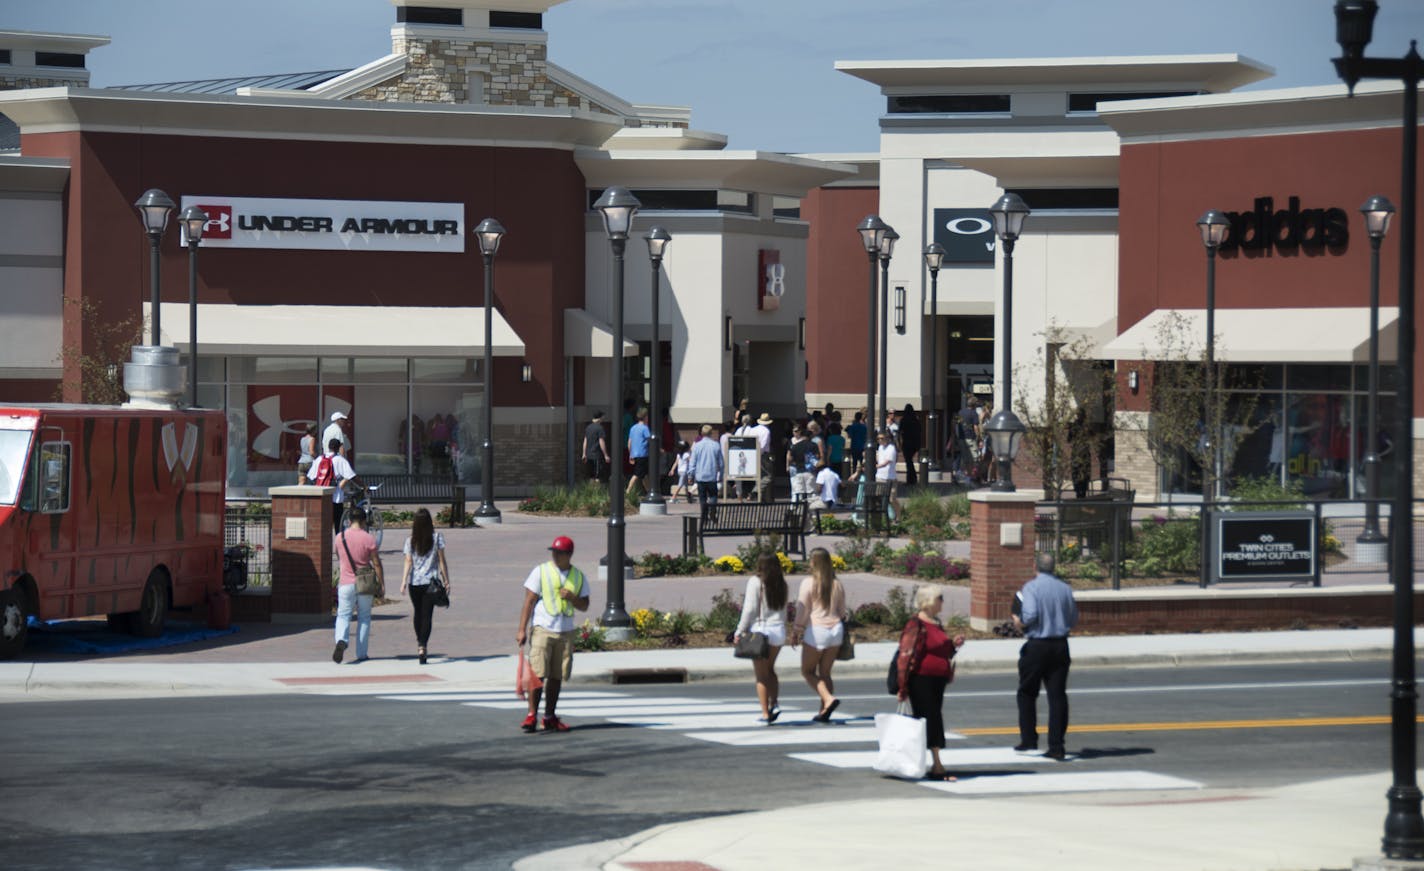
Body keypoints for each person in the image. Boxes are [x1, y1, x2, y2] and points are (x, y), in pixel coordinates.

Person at [515, 535, 590, 733]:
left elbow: (585, 605)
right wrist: (522, 629)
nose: (555, 556)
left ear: (569, 555)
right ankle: (532, 714)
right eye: (553, 552)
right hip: (542, 629)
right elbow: (529, 601)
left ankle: (549, 716)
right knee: (538, 675)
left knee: (556, 677)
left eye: (559, 553)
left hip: (565, 631)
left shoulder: (578, 576)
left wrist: (573, 598)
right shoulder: (541, 571)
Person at [895, 583, 966, 781]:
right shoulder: (915, 624)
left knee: (928, 720)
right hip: (921, 679)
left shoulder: (935, 623)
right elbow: (905, 656)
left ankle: (926, 762)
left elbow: (942, 651)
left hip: (937, 680)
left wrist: (953, 645)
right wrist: (903, 685)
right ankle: (937, 765)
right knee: (931, 719)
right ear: (928, 602)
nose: (942, 601)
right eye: (939, 598)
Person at [1013, 552, 1079, 761]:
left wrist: (1019, 622)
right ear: (1054, 567)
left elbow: (1030, 614)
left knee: (1027, 692)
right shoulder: (1065, 588)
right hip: (1060, 644)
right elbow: (1073, 617)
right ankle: (1057, 745)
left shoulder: (1031, 587)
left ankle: (1029, 739)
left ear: (1035, 566)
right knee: (1057, 696)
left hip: (1038, 644)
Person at [793, 547, 848, 722]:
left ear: (813, 562)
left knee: (807, 671)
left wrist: (797, 629)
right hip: (836, 629)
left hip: (817, 630)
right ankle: (824, 711)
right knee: (825, 673)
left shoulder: (808, 583)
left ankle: (828, 699)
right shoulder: (837, 583)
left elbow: (803, 609)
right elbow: (842, 611)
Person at [734, 552, 789, 725]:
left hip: (761, 630)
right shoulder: (782, 583)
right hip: (778, 630)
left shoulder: (756, 582)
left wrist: (739, 631)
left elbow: (749, 609)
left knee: (761, 676)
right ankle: (775, 703)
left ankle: (765, 713)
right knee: (771, 669)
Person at [332, 506, 383, 665]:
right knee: (364, 617)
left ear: (349, 520)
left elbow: (338, 555)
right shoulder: (369, 539)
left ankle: (341, 640)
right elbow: (376, 563)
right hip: (364, 582)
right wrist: (381, 584)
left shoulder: (340, 537)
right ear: (363, 521)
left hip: (345, 582)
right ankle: (361, 653)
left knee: (343, 614)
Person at [400, 508, 451, 665]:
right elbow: (442, 561)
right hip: (431, 583)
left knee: (417, 613)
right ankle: (423, 645)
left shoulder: (410, 541)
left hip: (415, 583)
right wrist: (447, 579)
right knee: (427, 615)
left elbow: (408, 561)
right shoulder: (436, 538)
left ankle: (419, 642)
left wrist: (403, 581)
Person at [309, 437, 360, 534]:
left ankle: (324, 547)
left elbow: (311, 477)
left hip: (322, 497)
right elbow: (352, 476)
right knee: (338, 524)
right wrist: (364, 486)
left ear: (328, 447)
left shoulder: (319, 459)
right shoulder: (340, 460)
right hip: (336, 498)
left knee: (324, 524)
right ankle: (338, 546)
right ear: (337, 448)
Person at [691, 424, 724, 522]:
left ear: (701, 433)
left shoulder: (697, 446)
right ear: (711, 433)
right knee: (713, 496)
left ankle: (704, 516)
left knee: (702, 498)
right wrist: (721, 475)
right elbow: (721, 463)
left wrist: (690, 474)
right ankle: (712, 512)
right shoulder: (716, 445)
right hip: (712, 476)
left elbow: (692, 462)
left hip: (700, 476)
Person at [787, 424, 819, 503]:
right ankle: (812, 512)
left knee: (799, 492)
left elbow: (790, 458)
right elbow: (817, 457)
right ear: (810, 436)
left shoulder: (795, 446)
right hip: (810, 472)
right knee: (811, 493)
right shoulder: (813, 445)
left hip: (799, 471)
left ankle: (799, 511)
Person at [627, 407, 652, 497]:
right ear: (645, 417)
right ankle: (628, 491)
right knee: (637, 474)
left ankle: (649, 491)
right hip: (643, 454)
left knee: (644, 475)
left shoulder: (633, 428)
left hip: (635, 454)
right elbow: (650, 440)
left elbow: (629, 442)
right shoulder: (645, 428)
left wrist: (631, 454)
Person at [583, 411, 610, 483]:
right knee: (598, 476)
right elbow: (601, 442)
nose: (603, 419)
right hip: (597, 455)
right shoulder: (600, 428)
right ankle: (597, 492)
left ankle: (591, 492)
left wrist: (584, 454)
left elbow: (585, 441)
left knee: (591, 476)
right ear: (600, 418)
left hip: (589, 455)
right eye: (602, 418)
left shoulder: (588, 427)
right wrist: (606, 455)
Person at [899, 404, 922, 486]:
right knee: (909, 461)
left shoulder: (904, 420)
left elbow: (900, 432)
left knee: (908, 461)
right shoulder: (916, 420)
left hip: (907, 442)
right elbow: (919, 432)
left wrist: (899, 443)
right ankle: (912, 478)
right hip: (915, 443)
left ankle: (911, 479)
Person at [846, 410, 868, 477]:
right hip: (862, 446)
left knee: (854, 463)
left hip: (854, 446)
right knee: (862, 463)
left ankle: (854, 475)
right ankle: (862, 475)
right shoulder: (864, 427)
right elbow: (866, 436)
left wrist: (848, 430)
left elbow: (849, 436)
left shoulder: (853, 426)